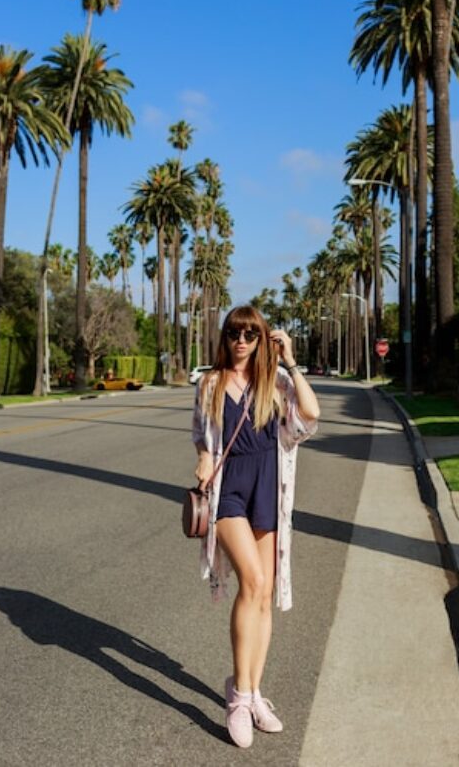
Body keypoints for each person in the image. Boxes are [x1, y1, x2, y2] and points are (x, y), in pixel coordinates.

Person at [191, 305, 320, 748]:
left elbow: (310, 416)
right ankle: (239, 701)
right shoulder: (209, 384)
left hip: (268, 486)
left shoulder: (277, 383)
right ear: (224, 338)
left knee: (264, 593)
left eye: (250, 334)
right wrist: (204, 464)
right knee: (253, 581)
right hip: (229, 492)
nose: (241, 341)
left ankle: (251, 689)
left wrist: (290, 361)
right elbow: (203, 440)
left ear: (262, 338)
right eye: (234, 333)